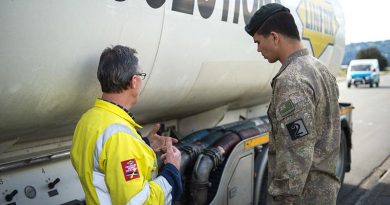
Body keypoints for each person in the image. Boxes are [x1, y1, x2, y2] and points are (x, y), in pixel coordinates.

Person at [245, 3, 341, 205]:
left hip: (303, 198)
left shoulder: (291, 80)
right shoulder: (320, 69)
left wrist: (284, 199)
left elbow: (296, 152)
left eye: (258, 42)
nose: (258, 49)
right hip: (324, 191)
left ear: (274, 37)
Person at [70, 45, 182, 205]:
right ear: (134, 81)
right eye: (141, 76)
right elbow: (139, 202)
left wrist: (145, 144)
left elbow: (103, 164)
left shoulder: (87, 120)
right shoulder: (120, 137)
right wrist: (171, 169)